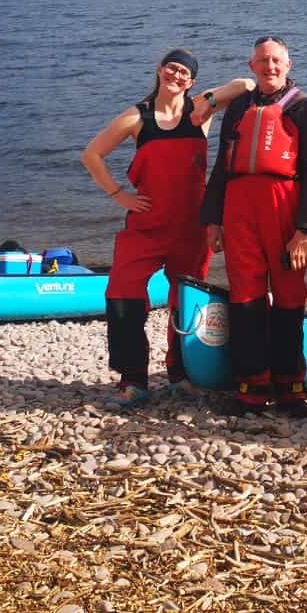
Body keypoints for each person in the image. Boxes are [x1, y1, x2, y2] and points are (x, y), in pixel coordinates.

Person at [80, 51, 255, 407]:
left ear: (191, 81)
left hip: (191, 225)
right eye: (172, 67)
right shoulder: (137, 117)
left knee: (185, 301)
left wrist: (206, 101)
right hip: (145, 225)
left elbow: (246, 85)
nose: (176, 74)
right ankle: (133, 379)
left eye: (185, 72)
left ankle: (181, 374)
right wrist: (119, 196)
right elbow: (92, 154)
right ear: (160, 70)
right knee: (122, 294)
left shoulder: (199, 114)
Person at [202, 36, 307, 416]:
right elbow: (222, 167)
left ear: (288, 66)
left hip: (285, 208)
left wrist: (305, 230)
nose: (270, 66)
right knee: (245, 296)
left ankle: (290, 385)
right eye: (262, 61)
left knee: (289, 297)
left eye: (276, 61)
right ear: (251, 66)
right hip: (240, 209)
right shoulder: (237, 107)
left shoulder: (304, 108)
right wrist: (212, 220)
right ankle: (251, 384)